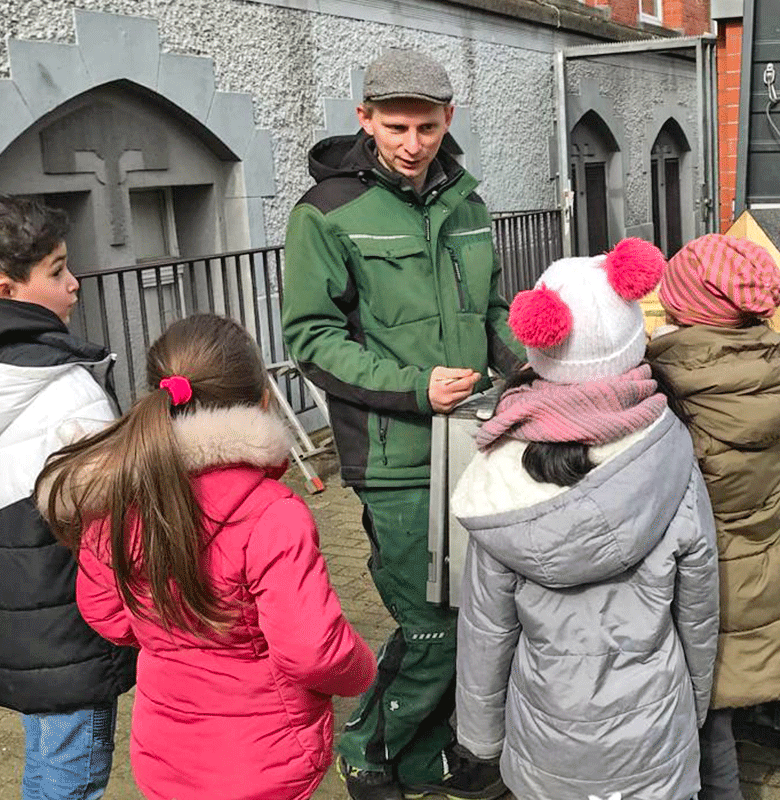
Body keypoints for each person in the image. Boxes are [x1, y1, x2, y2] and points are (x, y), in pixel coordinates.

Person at [282, 47, 524, 800]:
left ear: (449, 120)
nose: (412, 143)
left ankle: (427, 759)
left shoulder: (471, 204)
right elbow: (311, 340)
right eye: (395, 126)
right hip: (396, 458)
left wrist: (537, 375)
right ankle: (367, 748)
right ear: (364, 118)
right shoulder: (325, 212)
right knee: (434, 627)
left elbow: (492, 315)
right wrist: (417, 388)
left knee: (480, 618)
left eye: (426, 126)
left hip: (481, 443)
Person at [35, 314, 378, 800]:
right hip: (263, 758)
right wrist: (364, 668)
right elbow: (312, 649)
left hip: (164, 750)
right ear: (262, 402)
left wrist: (169, 631)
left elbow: (106, 613)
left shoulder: (116, 501)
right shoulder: (273, 515)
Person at [451, 239, 720, 800]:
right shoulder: (672, 455)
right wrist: (695, 704)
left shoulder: (498, 482)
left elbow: (486, 630)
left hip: (546, 738)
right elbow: (698, 608)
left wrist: (479, 739)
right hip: (654, 732)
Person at [0, 193, 137, 800]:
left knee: (49, 756)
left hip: (6, 615)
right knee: (74, 771)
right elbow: (118, 520)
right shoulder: (66, 391)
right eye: (58, 270)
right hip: (71, 620)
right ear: (8, 291)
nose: (75, 283)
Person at [646, 234, 780, 800]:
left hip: (703, 591)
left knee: (704, 726)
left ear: (688, 310)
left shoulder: (678, 384)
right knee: (718, 715)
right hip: (762, 577)